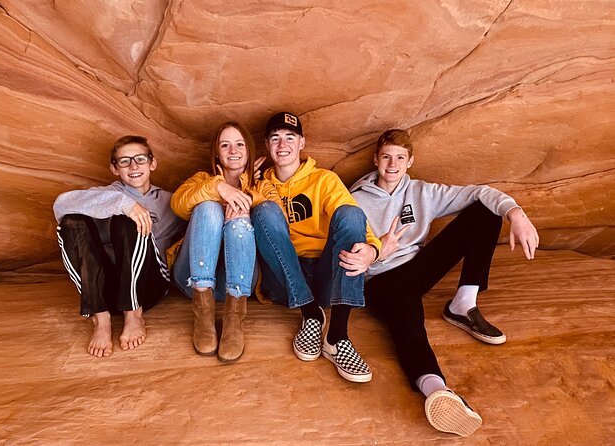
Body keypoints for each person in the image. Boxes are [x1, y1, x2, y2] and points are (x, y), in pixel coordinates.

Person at [350, 128, 540, 436]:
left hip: (416, 270)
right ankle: (436, 389)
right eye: (386, 157)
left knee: (485, 211)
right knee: (409, 324)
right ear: (375, 159)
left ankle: (463, 304)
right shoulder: (355, 200)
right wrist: (377, 252)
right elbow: (346, 251)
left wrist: (515, 213)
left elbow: (480, 192)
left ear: (410, 161)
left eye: (400, 157)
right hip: (380, 281)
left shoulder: (422, 192)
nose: (392, 164)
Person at [251, 112, 382, 383]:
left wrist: (373, 249)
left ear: (302, 143)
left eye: (290, 137)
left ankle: (337, 337)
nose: (282, 144)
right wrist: (246, 181)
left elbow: (354, 219)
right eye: (275, 138)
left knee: (350, 213)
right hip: (283, 277)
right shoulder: (259, 184)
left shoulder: (324, 180)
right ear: (267, 144)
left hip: (323, 274)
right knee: (264, 211)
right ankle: (310, 312)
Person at [54, 135, 185, 358]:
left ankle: (133, 315)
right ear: (115, 169)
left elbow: (200, 211)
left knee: (128, 223)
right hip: (106, 289)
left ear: (152, 163)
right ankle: (100, 317)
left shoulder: (169, 201)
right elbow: (61, 204)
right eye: (124, 161)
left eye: (140, 159)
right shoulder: (106, 195)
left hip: (147, 287)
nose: (133, 166)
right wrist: (123, 205)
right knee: (72, 222)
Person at [170, 122, 281, 362]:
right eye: (225, 145)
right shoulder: (202, 179)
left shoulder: (262, 186)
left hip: (238, 284)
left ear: (248, 151)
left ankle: (233, 319)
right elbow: (177, 204)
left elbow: (277, 218)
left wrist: (246, 201)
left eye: (240, 144)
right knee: (208, 207)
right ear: (217, 153)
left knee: (240, 220)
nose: (233, 150)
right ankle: (204, 314)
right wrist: (218, 187)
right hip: (193, 280)